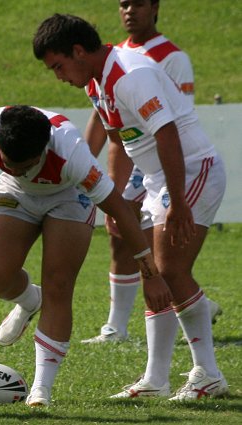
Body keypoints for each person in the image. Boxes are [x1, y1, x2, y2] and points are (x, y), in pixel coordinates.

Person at [32, 13, 229, 401]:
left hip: (190, 169)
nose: (57, 75)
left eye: (58, 65)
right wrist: (117, 199)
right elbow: (118, 142)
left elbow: (168, 133)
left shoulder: (130, 74)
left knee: (170, 269)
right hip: (161, 177)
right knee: (153, 271)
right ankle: (156, 380)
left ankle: (207, 373)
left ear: (78, 51)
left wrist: (177, 205)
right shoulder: (96, 80)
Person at [0, 105, 172, 407]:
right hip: (17, 193)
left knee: (58, 284)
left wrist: (151, 275)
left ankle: (41, 389)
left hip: (70, 195)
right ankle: (31, 301)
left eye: (25, 165)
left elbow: (121, 210)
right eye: (8, 163)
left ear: (43, 149)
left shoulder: (72, 155)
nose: (15, 169)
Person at [81, 0, 222, 344]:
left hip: (166, 160)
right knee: (124, 240)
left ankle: (192, 312)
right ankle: (118, 327)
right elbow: (107, 124)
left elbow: (171, 122)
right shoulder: (100, 64)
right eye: (123, 3)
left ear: (155, 7)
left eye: (138, 3)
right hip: (138, 160)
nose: (129, 10)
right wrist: (86, 164)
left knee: (164, 259)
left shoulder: (170, 57)